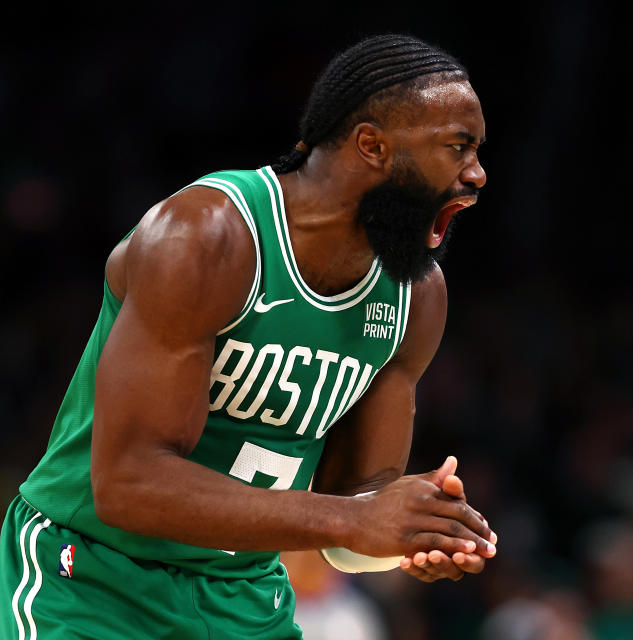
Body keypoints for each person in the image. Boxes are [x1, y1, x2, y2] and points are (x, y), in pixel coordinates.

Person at [1, 34, 496, 639]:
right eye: (457, 148)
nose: (476, 174)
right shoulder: (206, 236)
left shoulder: (417, 296)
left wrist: (413, 536)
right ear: (372, 145)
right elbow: (129, 483)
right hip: (92, 581)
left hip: (245, 596)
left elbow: (352, 523)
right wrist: (354, 518)